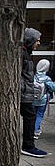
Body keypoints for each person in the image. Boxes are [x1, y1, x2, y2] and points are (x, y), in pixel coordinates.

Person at [20, 28, 47, 158]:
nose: (38, 44)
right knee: (30, 117)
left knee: (30, 117)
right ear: (30, 40)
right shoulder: (23, 54)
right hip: (23, 94)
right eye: (37, 41)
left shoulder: (26, 53)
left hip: (25, 92)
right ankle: (28, 146)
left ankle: (28, 145)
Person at [33, 59, 55, 139]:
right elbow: (53, 88)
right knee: (39, 115)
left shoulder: (33, 77)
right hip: (43, 99)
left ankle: (37, 129)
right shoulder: (46, 78)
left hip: (33, 99)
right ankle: (35, 131)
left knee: (34, 115)